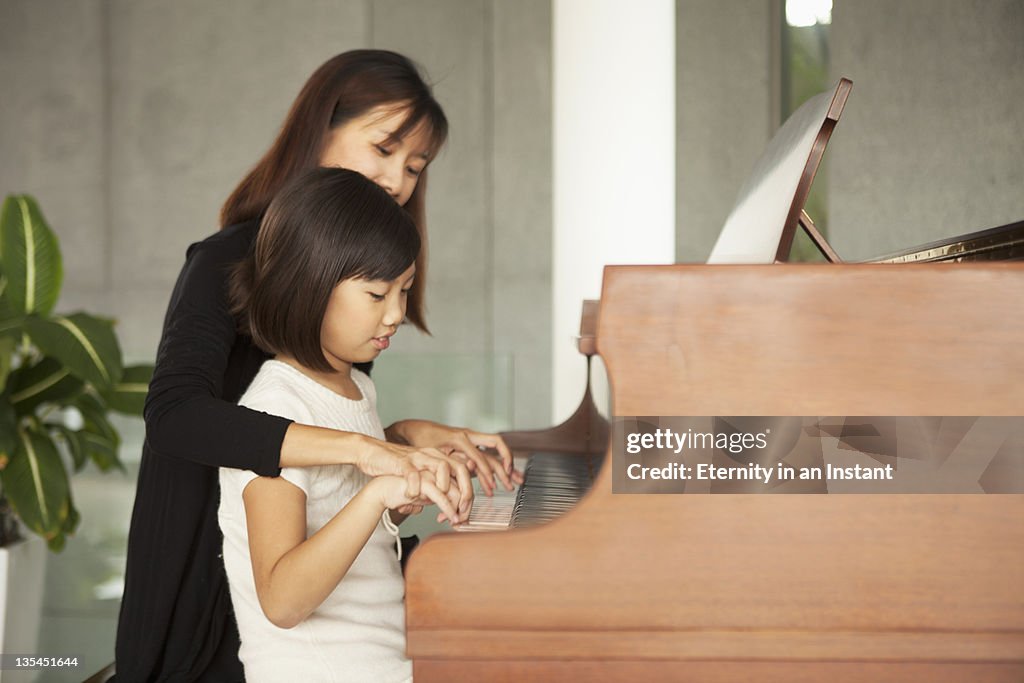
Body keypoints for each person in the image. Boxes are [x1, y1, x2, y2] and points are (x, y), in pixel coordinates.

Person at [115, 50, 520, 682]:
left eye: (415, 167)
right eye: (383, 149)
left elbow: (319, 465)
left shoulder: (354, 278)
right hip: (212, 582)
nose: (397, 182)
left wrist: (404, 440)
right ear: (320, 129)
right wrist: (370, 455)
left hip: (310, 593)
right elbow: (176, 417)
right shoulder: (228, 259)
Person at [221, 166, 436, 682]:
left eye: (404, 291)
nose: (395, 315)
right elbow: (283, 600)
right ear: (310, 284)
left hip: (378, 660)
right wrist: (375, 496)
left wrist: (400, 499)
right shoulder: (276, 408)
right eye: (377, 294)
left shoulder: (354, 386)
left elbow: (342, 527)